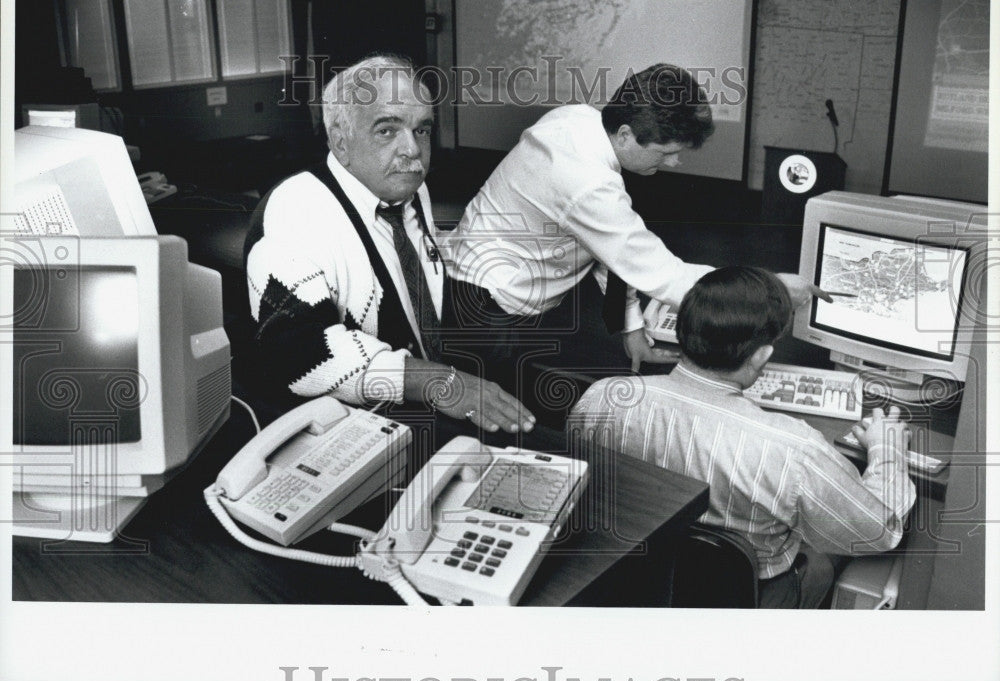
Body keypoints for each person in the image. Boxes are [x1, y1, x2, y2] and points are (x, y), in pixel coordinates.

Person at [569, 266, 916, 608]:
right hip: (741, 599)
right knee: (823, 561)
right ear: (762, 355)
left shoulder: (603, 397)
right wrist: (888, 452)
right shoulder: (795, 450)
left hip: (632, 582)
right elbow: (877, 533)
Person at [444, 63, 825, 372]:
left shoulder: (576, 118)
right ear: (625, 134)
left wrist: (632, 328)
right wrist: (769, 287)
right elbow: (669, 278)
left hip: (477, 283)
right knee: (496, 417)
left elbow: (605, 246)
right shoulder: (589, 184)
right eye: (665, 152)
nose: (674, 163)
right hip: (489, 312)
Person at [244, 54, 534, 434]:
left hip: (429, 394)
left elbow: (414, 275)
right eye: (387, 130)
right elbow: (296, 353)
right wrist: (435, 381)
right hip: (356, 426)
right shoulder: (294, 212)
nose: (412, 150)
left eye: (422, 130)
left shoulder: (407, 188)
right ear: (340, 141)